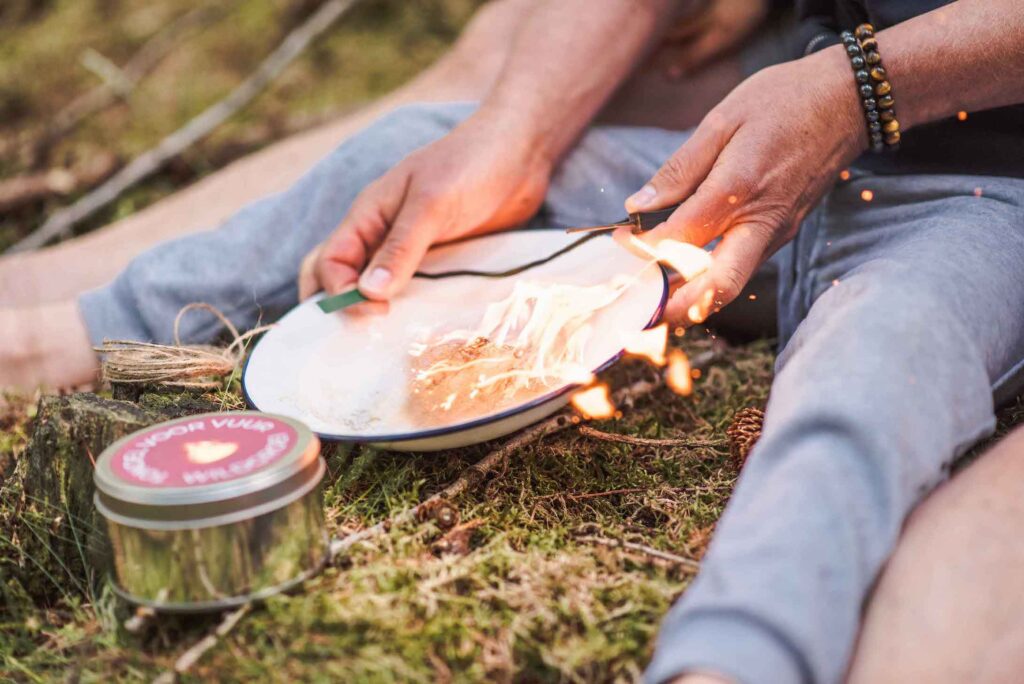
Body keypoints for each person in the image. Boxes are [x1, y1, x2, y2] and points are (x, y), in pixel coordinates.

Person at [4, 1, 1024, 683]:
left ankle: (734, 654)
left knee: (875, 362)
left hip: (982, 197)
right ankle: (70, 339)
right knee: (403, 158)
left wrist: (856, 89)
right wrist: (515, 136)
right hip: (755, 148)